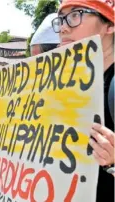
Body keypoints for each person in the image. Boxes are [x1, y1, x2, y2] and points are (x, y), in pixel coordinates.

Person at [53, 0, 115, 201]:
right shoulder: (63, 86)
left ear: (110, 25)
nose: (63, 27)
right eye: (61, 19)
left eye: (75, 15)